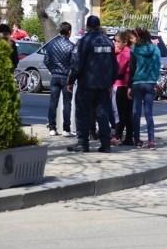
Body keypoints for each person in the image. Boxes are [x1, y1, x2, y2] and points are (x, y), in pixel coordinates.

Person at [66, 15, 119, 153]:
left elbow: (76, 65)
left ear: (87, 26)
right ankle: (105, 144)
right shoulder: (109, 42)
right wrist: (110, 83)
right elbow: (115, 66)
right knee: (102, 114)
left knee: (82, 114)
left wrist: (70, 81)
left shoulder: (84, 42)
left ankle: (83, 143)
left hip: (86, 85)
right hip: (103, 86)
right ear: (99, 25)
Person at [127, 28, 162, 150]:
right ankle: (151, 140)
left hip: (137, 83)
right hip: (150, 83)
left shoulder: (135, 49)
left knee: (136, 112)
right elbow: (158, 65)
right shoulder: (155, 49)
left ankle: (137, 140)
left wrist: (129, 85)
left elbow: (132, 68)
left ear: (138, 37)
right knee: (148, 112)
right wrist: (155, 79)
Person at [43, 22, 75, 137]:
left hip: (55, 77)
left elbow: (46, 60)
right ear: (69, 32)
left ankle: (52, 128)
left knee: (53, 102)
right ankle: (66, 129)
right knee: (67, 103)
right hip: (66, 78)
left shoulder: (51, 44)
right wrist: (71, 79)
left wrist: (52, 70)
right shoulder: (71, 46)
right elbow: (74, 64)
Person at [112, 30, 134, 145]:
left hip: (120, 85)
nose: (116, 43)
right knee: (128, 112)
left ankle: (118, 135)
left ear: (125, 42)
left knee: (118, 112)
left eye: (118, 41)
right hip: (129, 85)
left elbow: (118, 70)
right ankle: (129, 137)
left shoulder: (124, 54)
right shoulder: (132, 52)